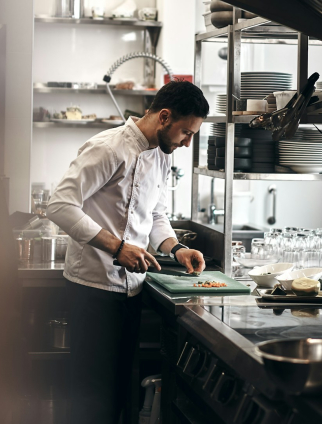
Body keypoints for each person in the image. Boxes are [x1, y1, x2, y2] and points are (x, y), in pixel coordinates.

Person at [46, 80, 210, 424]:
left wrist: (176, 248)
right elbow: (59, 205)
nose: (187, 142)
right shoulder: (108, 148)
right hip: (92, 288)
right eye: (186, 132)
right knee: (91, 399)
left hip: (132, 290)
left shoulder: (162, 155)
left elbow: (155, 215)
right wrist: (116, 247)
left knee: (120, 395)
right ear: (164, 117)